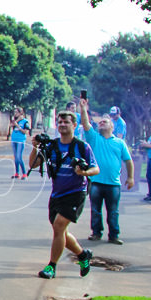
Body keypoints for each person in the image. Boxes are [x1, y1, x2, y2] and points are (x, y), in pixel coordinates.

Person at [28, 110, 99, 279]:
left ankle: (51, 267)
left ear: (74, 125)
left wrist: (84, 172)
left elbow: (96, 169)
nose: (62, 125)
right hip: (57, 194)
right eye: (59, 122)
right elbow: (32, 164)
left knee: (59, 226)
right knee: (61, 232)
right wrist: (35, 147)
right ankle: (82, 255)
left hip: (76, 193)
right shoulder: (51, 146)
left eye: (66, 122)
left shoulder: (82, 147)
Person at [77, 99, 133, 245]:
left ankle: (114, 235)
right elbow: (85, 123)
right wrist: (83, 108)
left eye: (105, 122)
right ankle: (96, 233)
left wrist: (131, 177)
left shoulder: (120, 143)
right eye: (100, 122)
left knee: (113, 211)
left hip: (114, 184)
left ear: (112, 127)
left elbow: (128, 161)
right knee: (95, 210)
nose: (101, 123)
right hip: (96, 182)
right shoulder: (94, 138)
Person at [10, 107, 31, 179]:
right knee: (15, 157)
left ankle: (24, 173)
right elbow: (10, 125)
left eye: (17, 112)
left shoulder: (25, 121)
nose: (15, 114)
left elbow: (25, 132)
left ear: (21, 113)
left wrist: (18, 126)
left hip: (20, 140)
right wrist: (16, 121)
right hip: (14, 139)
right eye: (14, 112)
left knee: (19, 157)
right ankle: (17, 173)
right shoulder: (15, 120)